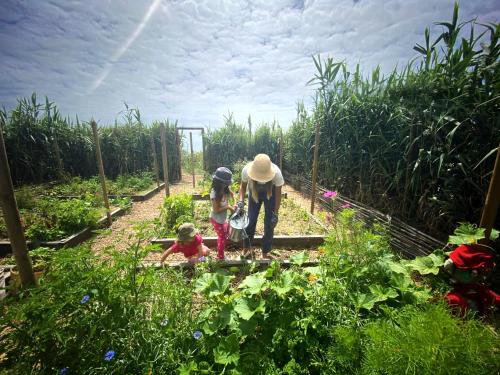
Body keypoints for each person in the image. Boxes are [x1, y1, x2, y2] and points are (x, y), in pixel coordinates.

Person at [237, 154, 284, 259]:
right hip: (254, 192)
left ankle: (265, 252)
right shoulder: (246, 170)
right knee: (250, 220)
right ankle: (246, 248)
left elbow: (278, 194)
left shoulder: (277, 174)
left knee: (269, 223)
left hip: (270, 194)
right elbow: (243, 187)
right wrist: (240, 201)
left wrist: (275, 213)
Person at [209, 167, 235, 260]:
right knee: (222, 237)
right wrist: (228, 207)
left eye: (227, 184)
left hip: (223, 218)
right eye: (225, 183)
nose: (226, 185)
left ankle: (221, 253)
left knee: (225, 234)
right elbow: (216, 210)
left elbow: (232, 194)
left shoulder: (225, 189)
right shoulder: (214, 193)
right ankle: (220, 257)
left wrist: (234, 203)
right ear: (218, 182)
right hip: (216, 219)